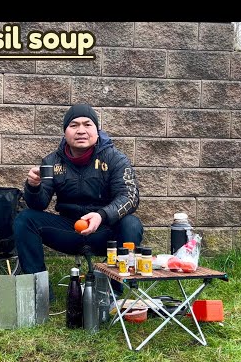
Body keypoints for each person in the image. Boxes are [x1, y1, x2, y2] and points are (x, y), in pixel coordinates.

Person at [13, 103, 143, 300]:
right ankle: (39, 292)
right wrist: (33, 186)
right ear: (65, 132)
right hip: (69, 229)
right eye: (74, 125)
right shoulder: (51, 162)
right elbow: (38, 204)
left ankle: (114, 292)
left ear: (97, 131)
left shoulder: (116, 159)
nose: (81, 130)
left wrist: (102, 215)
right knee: (25, 219)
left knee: (132, 223)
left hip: (105, 230)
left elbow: (130, 197)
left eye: (87, 124)